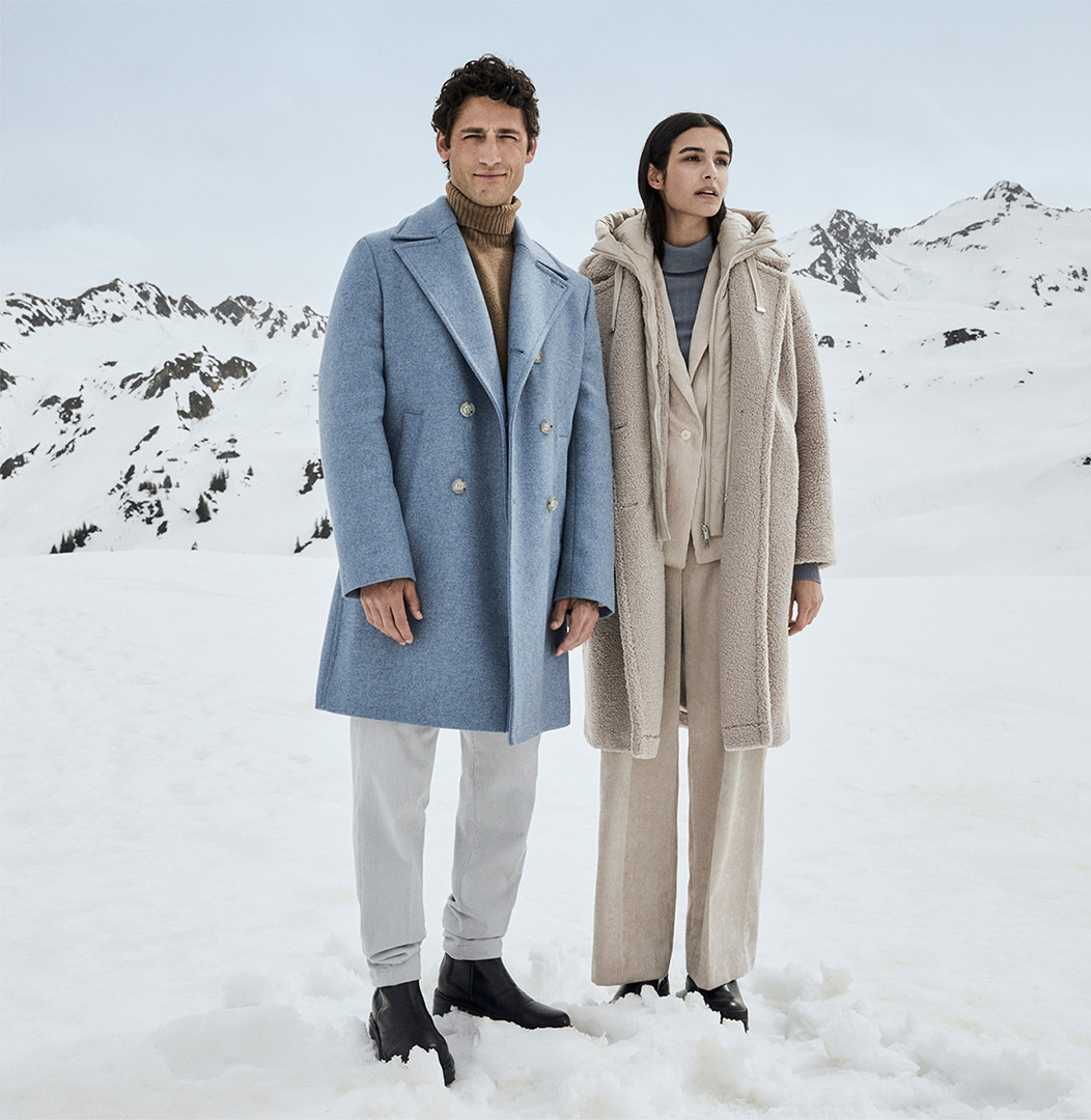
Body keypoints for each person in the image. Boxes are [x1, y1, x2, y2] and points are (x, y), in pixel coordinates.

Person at [314, 55, 615, 1085]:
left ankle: (475, 961)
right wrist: (373, 562)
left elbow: (588, 440)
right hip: (412, 569)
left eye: (508, 137)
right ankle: (394, 984)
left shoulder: (564, 289)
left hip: (522, 570)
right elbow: (349, 417)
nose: (491, 153)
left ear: (532, 150)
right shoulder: (382, 260)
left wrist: (585, 573)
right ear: (443, 145)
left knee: (506, 783)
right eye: (473, 136)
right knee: (391, 788)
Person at [578, 112, 835, 1029]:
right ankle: (635, 965)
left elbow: (807, 421)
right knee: (636, 752)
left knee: (735, 751)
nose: (711, 172)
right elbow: (578, 427)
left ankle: (718, 964)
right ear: (654, 174)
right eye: (692, 157)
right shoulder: (601, 285)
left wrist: (807, 556)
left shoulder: (771, 283)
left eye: (723, 159)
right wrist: (577, 562)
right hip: (636, 553)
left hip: (742, 550)